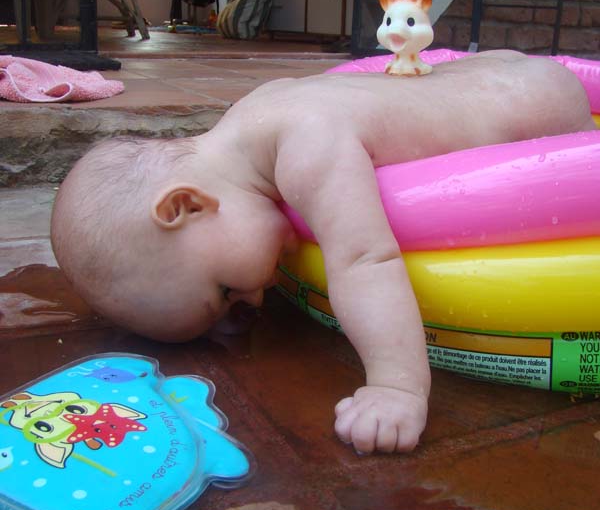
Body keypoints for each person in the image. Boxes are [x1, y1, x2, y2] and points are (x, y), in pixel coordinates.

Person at [51, 51, 596, 455]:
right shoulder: (253, 115)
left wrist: (395, 387)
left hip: (544, 111)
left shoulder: (304, 147)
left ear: (185, 205)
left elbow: (366, 261)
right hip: (501, 71)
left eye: (225, 290)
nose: (254, 300)